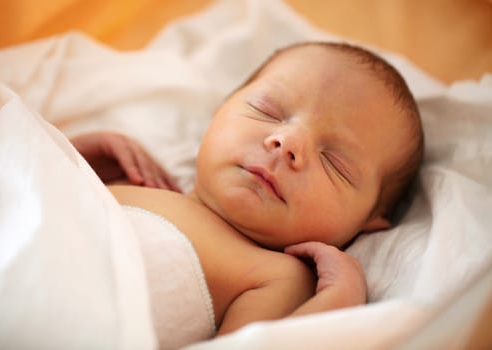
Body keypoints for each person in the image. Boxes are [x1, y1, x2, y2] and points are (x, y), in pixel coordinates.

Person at [71, 41, 423, 345]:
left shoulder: (277, 275)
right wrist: (68, 154)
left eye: (335, 163)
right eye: (267, 111)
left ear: (369, 222)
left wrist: (337, 307)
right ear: (217, 113)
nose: (288, 142)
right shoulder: (128, 184)